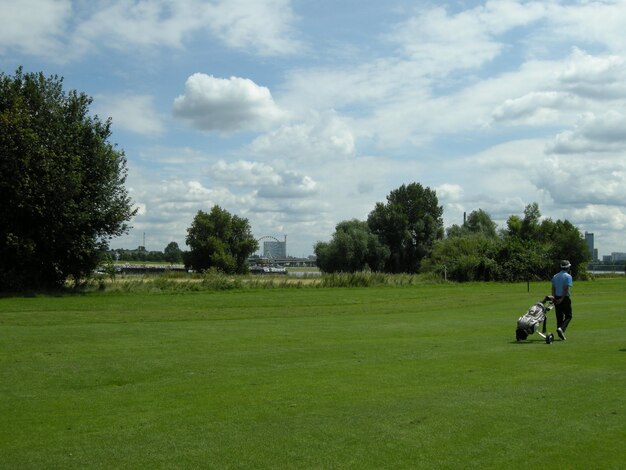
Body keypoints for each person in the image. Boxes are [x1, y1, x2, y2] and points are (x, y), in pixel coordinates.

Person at [551, 260, 573, 340]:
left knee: (559, 317)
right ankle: (561, 329)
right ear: (568, 267)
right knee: (568, 316)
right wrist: (562, 298)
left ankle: (560, 335)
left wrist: (553, 297)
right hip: (565, 298)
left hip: (556, 297)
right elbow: (565, 289)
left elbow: (553, 288)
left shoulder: (555, 276)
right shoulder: (568, 276)